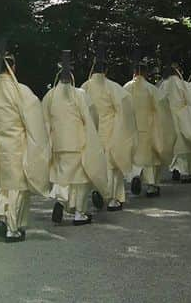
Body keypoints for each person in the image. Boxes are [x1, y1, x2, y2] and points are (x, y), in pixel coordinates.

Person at [0, 40, 50, 242]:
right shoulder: (21, 91)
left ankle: (2, 216)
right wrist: (37, 148)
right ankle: (12, 228)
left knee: (5, 186)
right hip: (17, 146)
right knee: (18, 189)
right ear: (13, 66)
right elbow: (33, 122)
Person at [42, 50, 109, 224]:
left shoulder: (50, 96)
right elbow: (92, 116)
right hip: (78, 142)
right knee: (81, 179)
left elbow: (44, 120)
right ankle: (80, 213)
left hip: (58, 143)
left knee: (62, 176)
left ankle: (61, 200)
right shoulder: (79, 94)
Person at [81, 51, 137, 211]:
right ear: (106, 71)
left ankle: (98, 191)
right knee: (113, 166)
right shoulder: (113, 87)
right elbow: (125, 108)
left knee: (94, 163)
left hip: (91, 130)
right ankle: (112, 199)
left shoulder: (85, 87)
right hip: (110, 129)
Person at [124, 57, 175, 198]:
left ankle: (135, 176)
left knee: (134, 156)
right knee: (150, 158)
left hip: (130, 129)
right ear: (145, 73)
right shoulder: (151, 89)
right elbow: (162, 107)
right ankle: (151, 186)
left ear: (134, 72)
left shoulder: (125, 88)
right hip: (148, 127)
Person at [158, 62, 191, 183]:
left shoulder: (162, 85)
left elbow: (159, 101)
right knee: (185, 146)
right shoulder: (183, 84)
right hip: (183, 117)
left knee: (172, 145)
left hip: (168, 118)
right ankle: (186, 173)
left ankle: (175, 169)